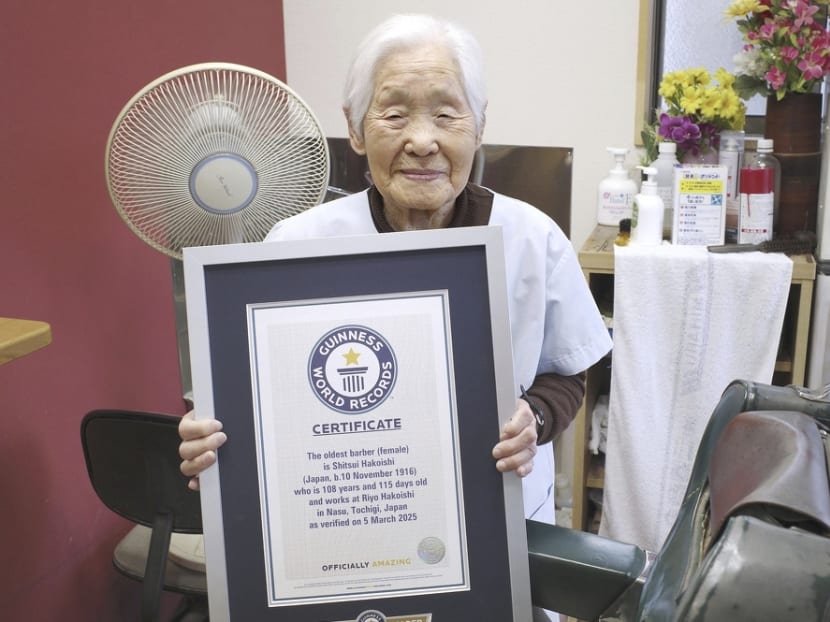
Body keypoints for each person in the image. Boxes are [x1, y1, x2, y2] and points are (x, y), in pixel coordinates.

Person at [179, 13, 612, 621]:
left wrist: (534, 418)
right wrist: (209, 441)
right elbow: (244, 396)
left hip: (495, 527)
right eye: (394, 113)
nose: (423, 140)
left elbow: (569, 374)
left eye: (446, 112)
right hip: (335, 538)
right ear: (355, 129)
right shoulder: (294, 242)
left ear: (480, 124)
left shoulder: (531, 236)